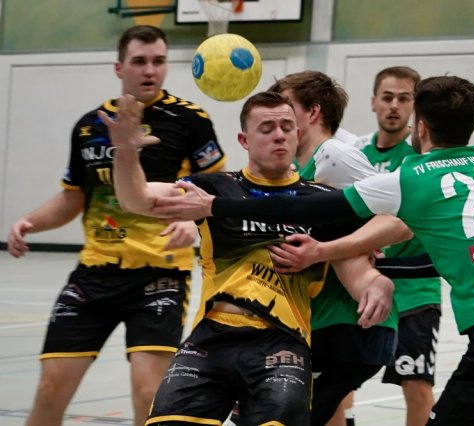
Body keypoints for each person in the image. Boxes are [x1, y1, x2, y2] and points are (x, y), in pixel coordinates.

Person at [155, 75, 474, 426]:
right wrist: (345, 259)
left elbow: (307, 208)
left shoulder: (411, 178)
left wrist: (216, 206)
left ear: (421, 127)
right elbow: (432, 247)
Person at [103, 91, 398, 425]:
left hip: (282, 344)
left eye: (286, 127)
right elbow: (137, 200)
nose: (279, 135)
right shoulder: (212, 189)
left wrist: (377, 284)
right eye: (267, 128)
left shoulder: (320, 201)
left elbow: (356, 268)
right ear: (244, 140)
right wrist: (125, 152)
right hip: (211, 339)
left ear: (297, 134)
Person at [5, 25, 227, 426]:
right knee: (49, 390)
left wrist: (193, 226)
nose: (150, 70)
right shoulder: (90, 126)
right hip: (94, 274)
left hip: (160, 275)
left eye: (158, 61)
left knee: (149, 394)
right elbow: (73, 197)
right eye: (139, 61)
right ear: (119, 68)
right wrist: (29, 222)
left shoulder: (190, 120)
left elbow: (217, 191)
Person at [267, 70, 403, 426]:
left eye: (286, 107)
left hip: (350, 321)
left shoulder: (333, 155)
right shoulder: (294, 167)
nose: (278, 117)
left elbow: (400, 218)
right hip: (320, 320)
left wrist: (335, 248)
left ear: (313, 112)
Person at [355, 66, 441, 426]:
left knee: (416, 384)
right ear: (373, 102)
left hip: (414, 293)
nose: (394, 106)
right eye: (387, 97)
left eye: (404, 99)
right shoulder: (355, 155)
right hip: (358, 288)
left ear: (414, 106)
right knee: (339, 376)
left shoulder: (420, 158)